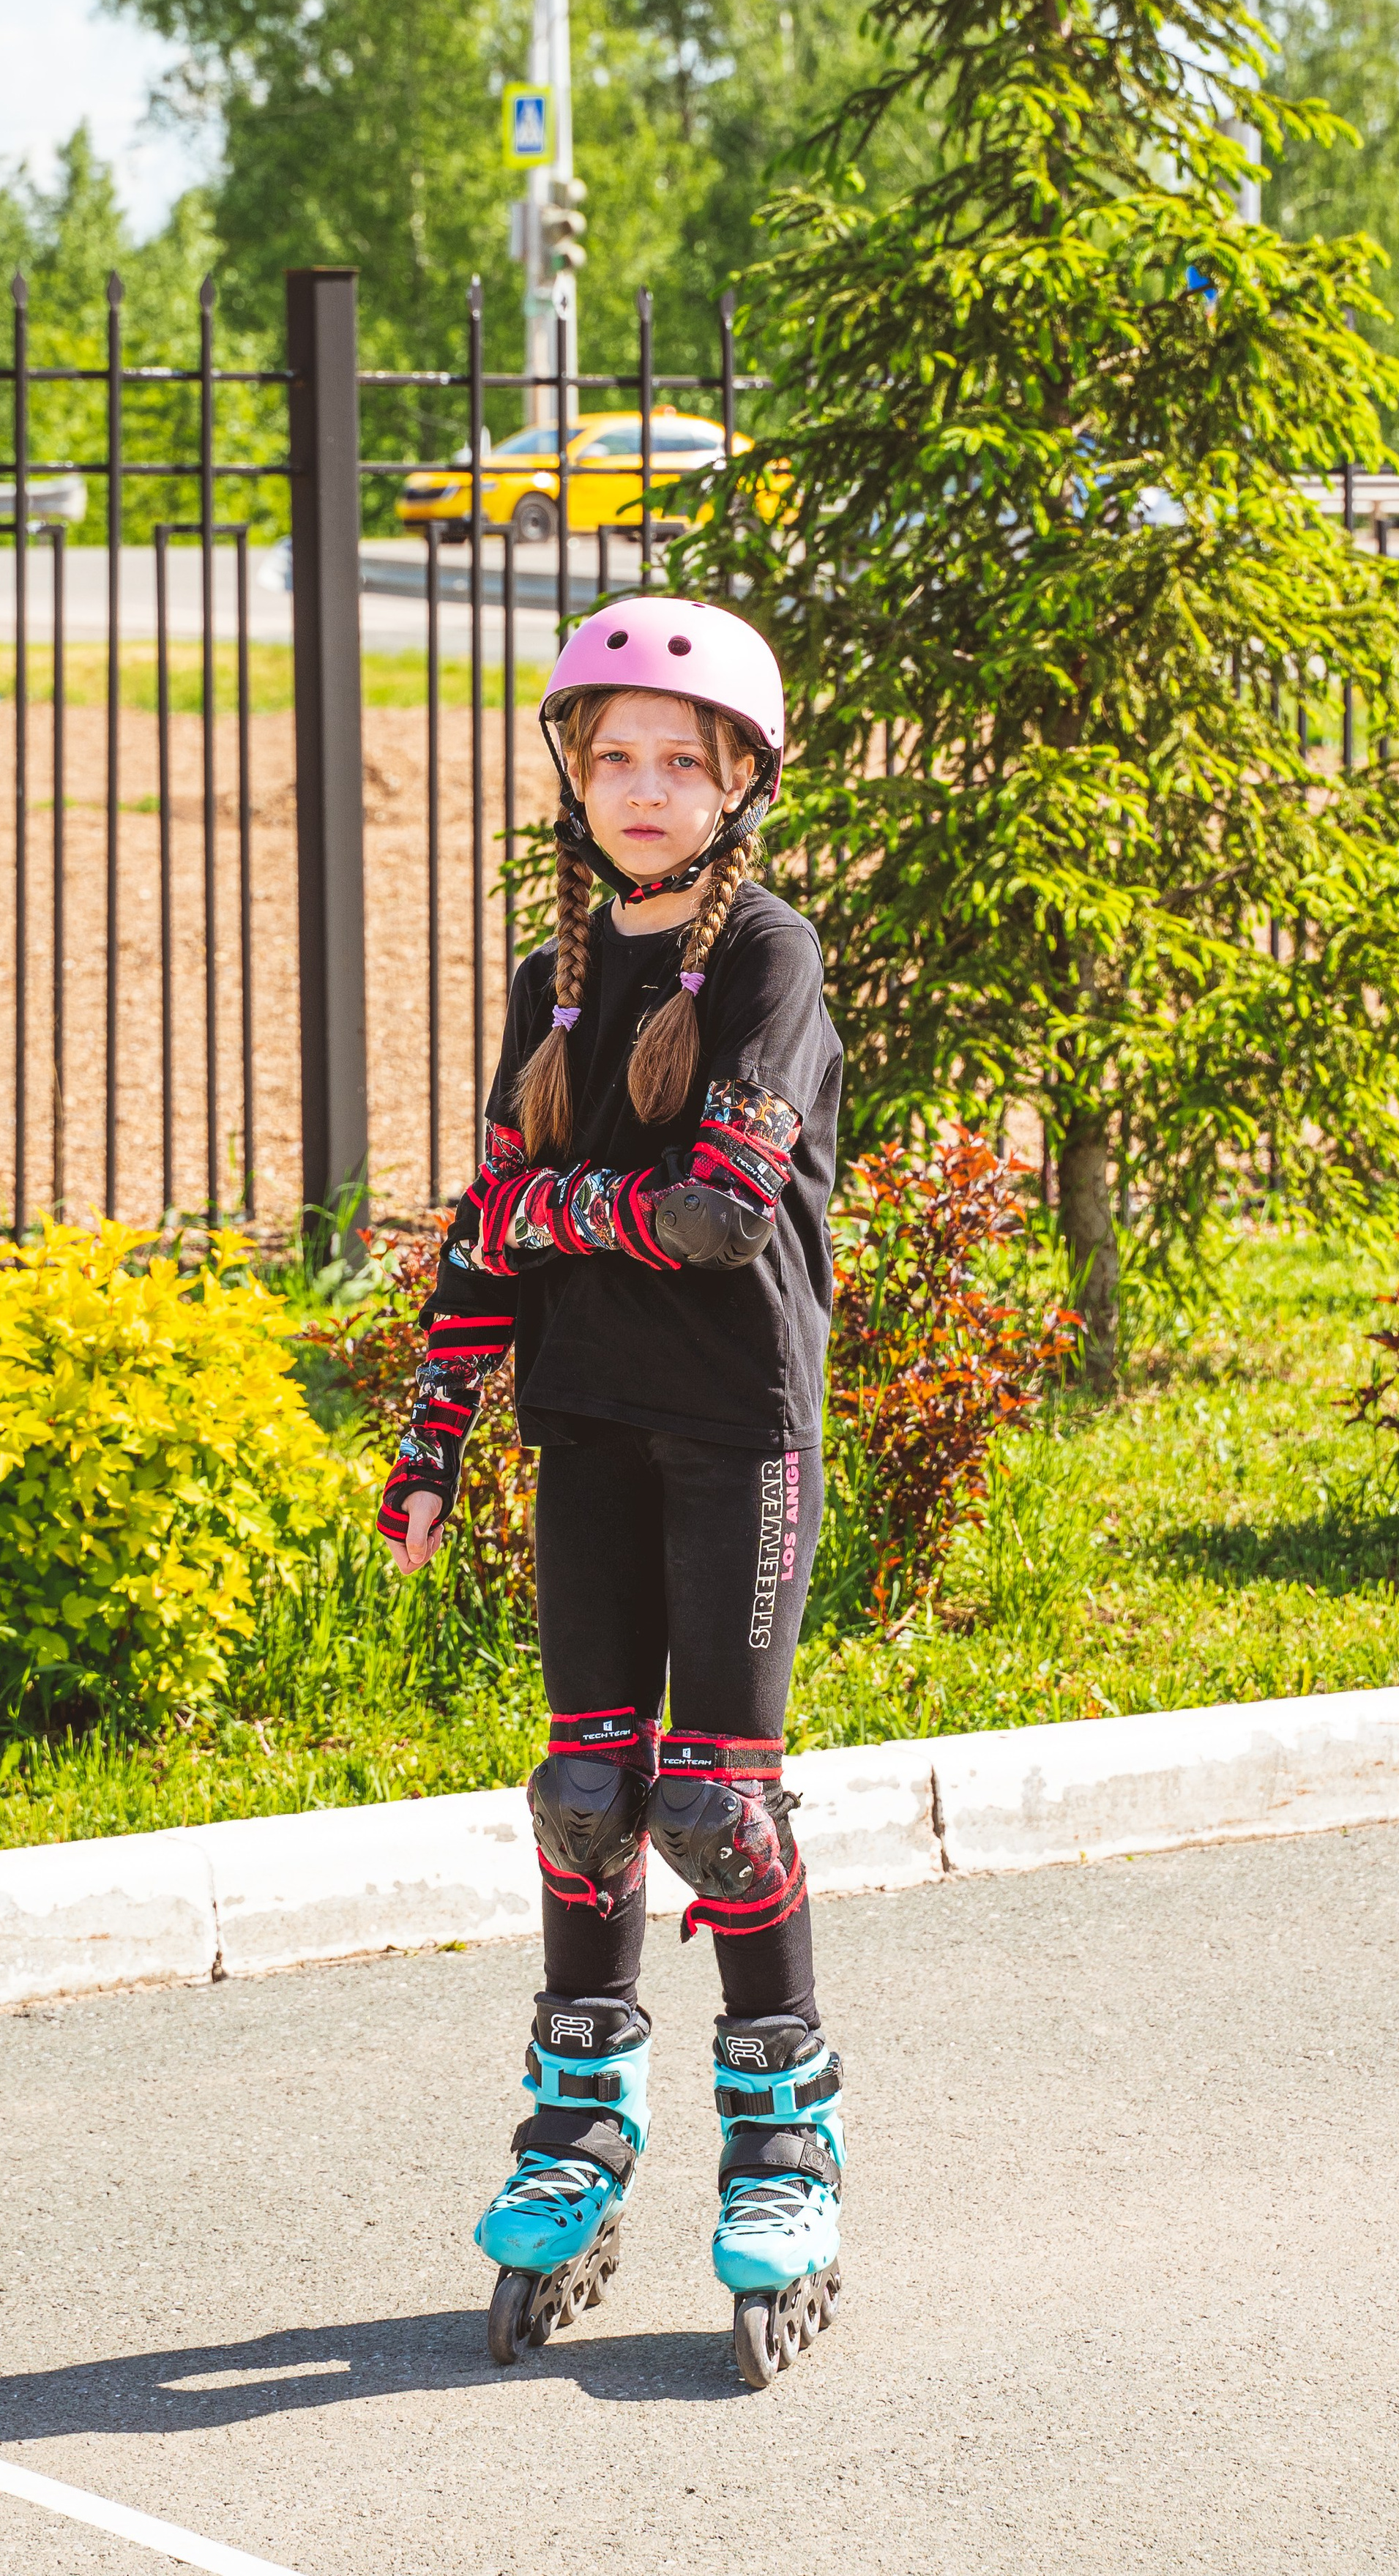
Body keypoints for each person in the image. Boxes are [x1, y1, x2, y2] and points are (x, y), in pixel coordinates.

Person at [378, 594, 844, 2390]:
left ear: (738, 780)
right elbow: (485, 1234)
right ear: (572, 778)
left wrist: (544, 1210)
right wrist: (433, 1431)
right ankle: (578, 2128)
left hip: (737, 1432)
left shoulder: (768, 960)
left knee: (718, 1813)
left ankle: (787, 2145)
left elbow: (720, 1211)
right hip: (585, 1429)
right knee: (584, 1792)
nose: (640, 787)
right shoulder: (553, 982)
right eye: (611, 758)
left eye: (678, 761)